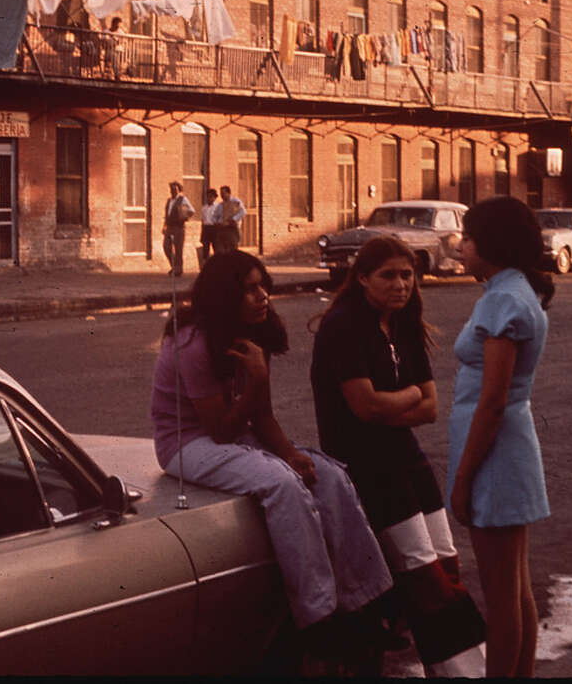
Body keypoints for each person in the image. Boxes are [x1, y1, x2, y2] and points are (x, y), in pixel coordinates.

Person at [150, 250, 393, 673]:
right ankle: (318, 617)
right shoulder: (191, 343)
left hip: (231, 432)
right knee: (281, 485)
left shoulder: (250, 333)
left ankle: (366, 601)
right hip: (186, 445)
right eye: (250, 289)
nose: (263, 296)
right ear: (226, 295)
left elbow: (261, 417)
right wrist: (257, 383)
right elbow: (221, 431)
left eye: (264, 286)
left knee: (329, 475)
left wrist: (291, 453)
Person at [310, 235, 486, 677]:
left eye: (407, 274)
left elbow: (429, 408)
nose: (400, 284)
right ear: (363, 277)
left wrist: (396, 402)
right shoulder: (344, 325)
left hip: (408, 459)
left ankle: (468, 669)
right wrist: (405, 397)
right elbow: (363, 407)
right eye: (388, 275)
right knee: (423, 576)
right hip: (368, 467)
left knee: (446, 564)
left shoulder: (404, 324)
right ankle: (465, 675)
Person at [448, 195, 554, 677]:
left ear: (490, 243)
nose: (461, 247)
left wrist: (464, 478)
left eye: (467, 238)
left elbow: (491, 401)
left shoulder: (502, 299)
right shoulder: (512, 290)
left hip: (494, 453)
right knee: (517, 590)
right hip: (510, 447)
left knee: (501, 597)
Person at [162, 181, 194, 277]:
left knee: (178, 248)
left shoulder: (183, 199)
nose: (173, 191)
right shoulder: (169, 200)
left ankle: (178, 269)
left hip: (179, 227)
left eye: (175, 189)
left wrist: (184, 217)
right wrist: (164, 225)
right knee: (166, 247)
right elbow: (167, 214)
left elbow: (191, 210)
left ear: (178, 190)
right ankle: (174, 266)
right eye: (171, 189)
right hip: (170, 227)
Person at [215, 185, 246, 253]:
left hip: (232, 228)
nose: (222, 195)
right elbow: (216, 216)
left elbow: (243, 212)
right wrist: (217, 222)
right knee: (223, 249)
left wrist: (234, 219)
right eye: (221, 194)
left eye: (223, 193)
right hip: (223, 229)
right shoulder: (220, 205)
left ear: (228, 193)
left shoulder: (235, 202)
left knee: (232, 249)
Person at [197, 187, 219, 269]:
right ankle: (206, 266)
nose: (210, 198)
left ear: (215, 197)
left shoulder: (217, 207)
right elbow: (203, 220)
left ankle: (217, 266)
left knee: (216, 247)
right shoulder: (204, 208)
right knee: (205, 249)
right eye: (208, 197)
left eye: (211, 197)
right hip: (206, 228)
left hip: (214, 228)